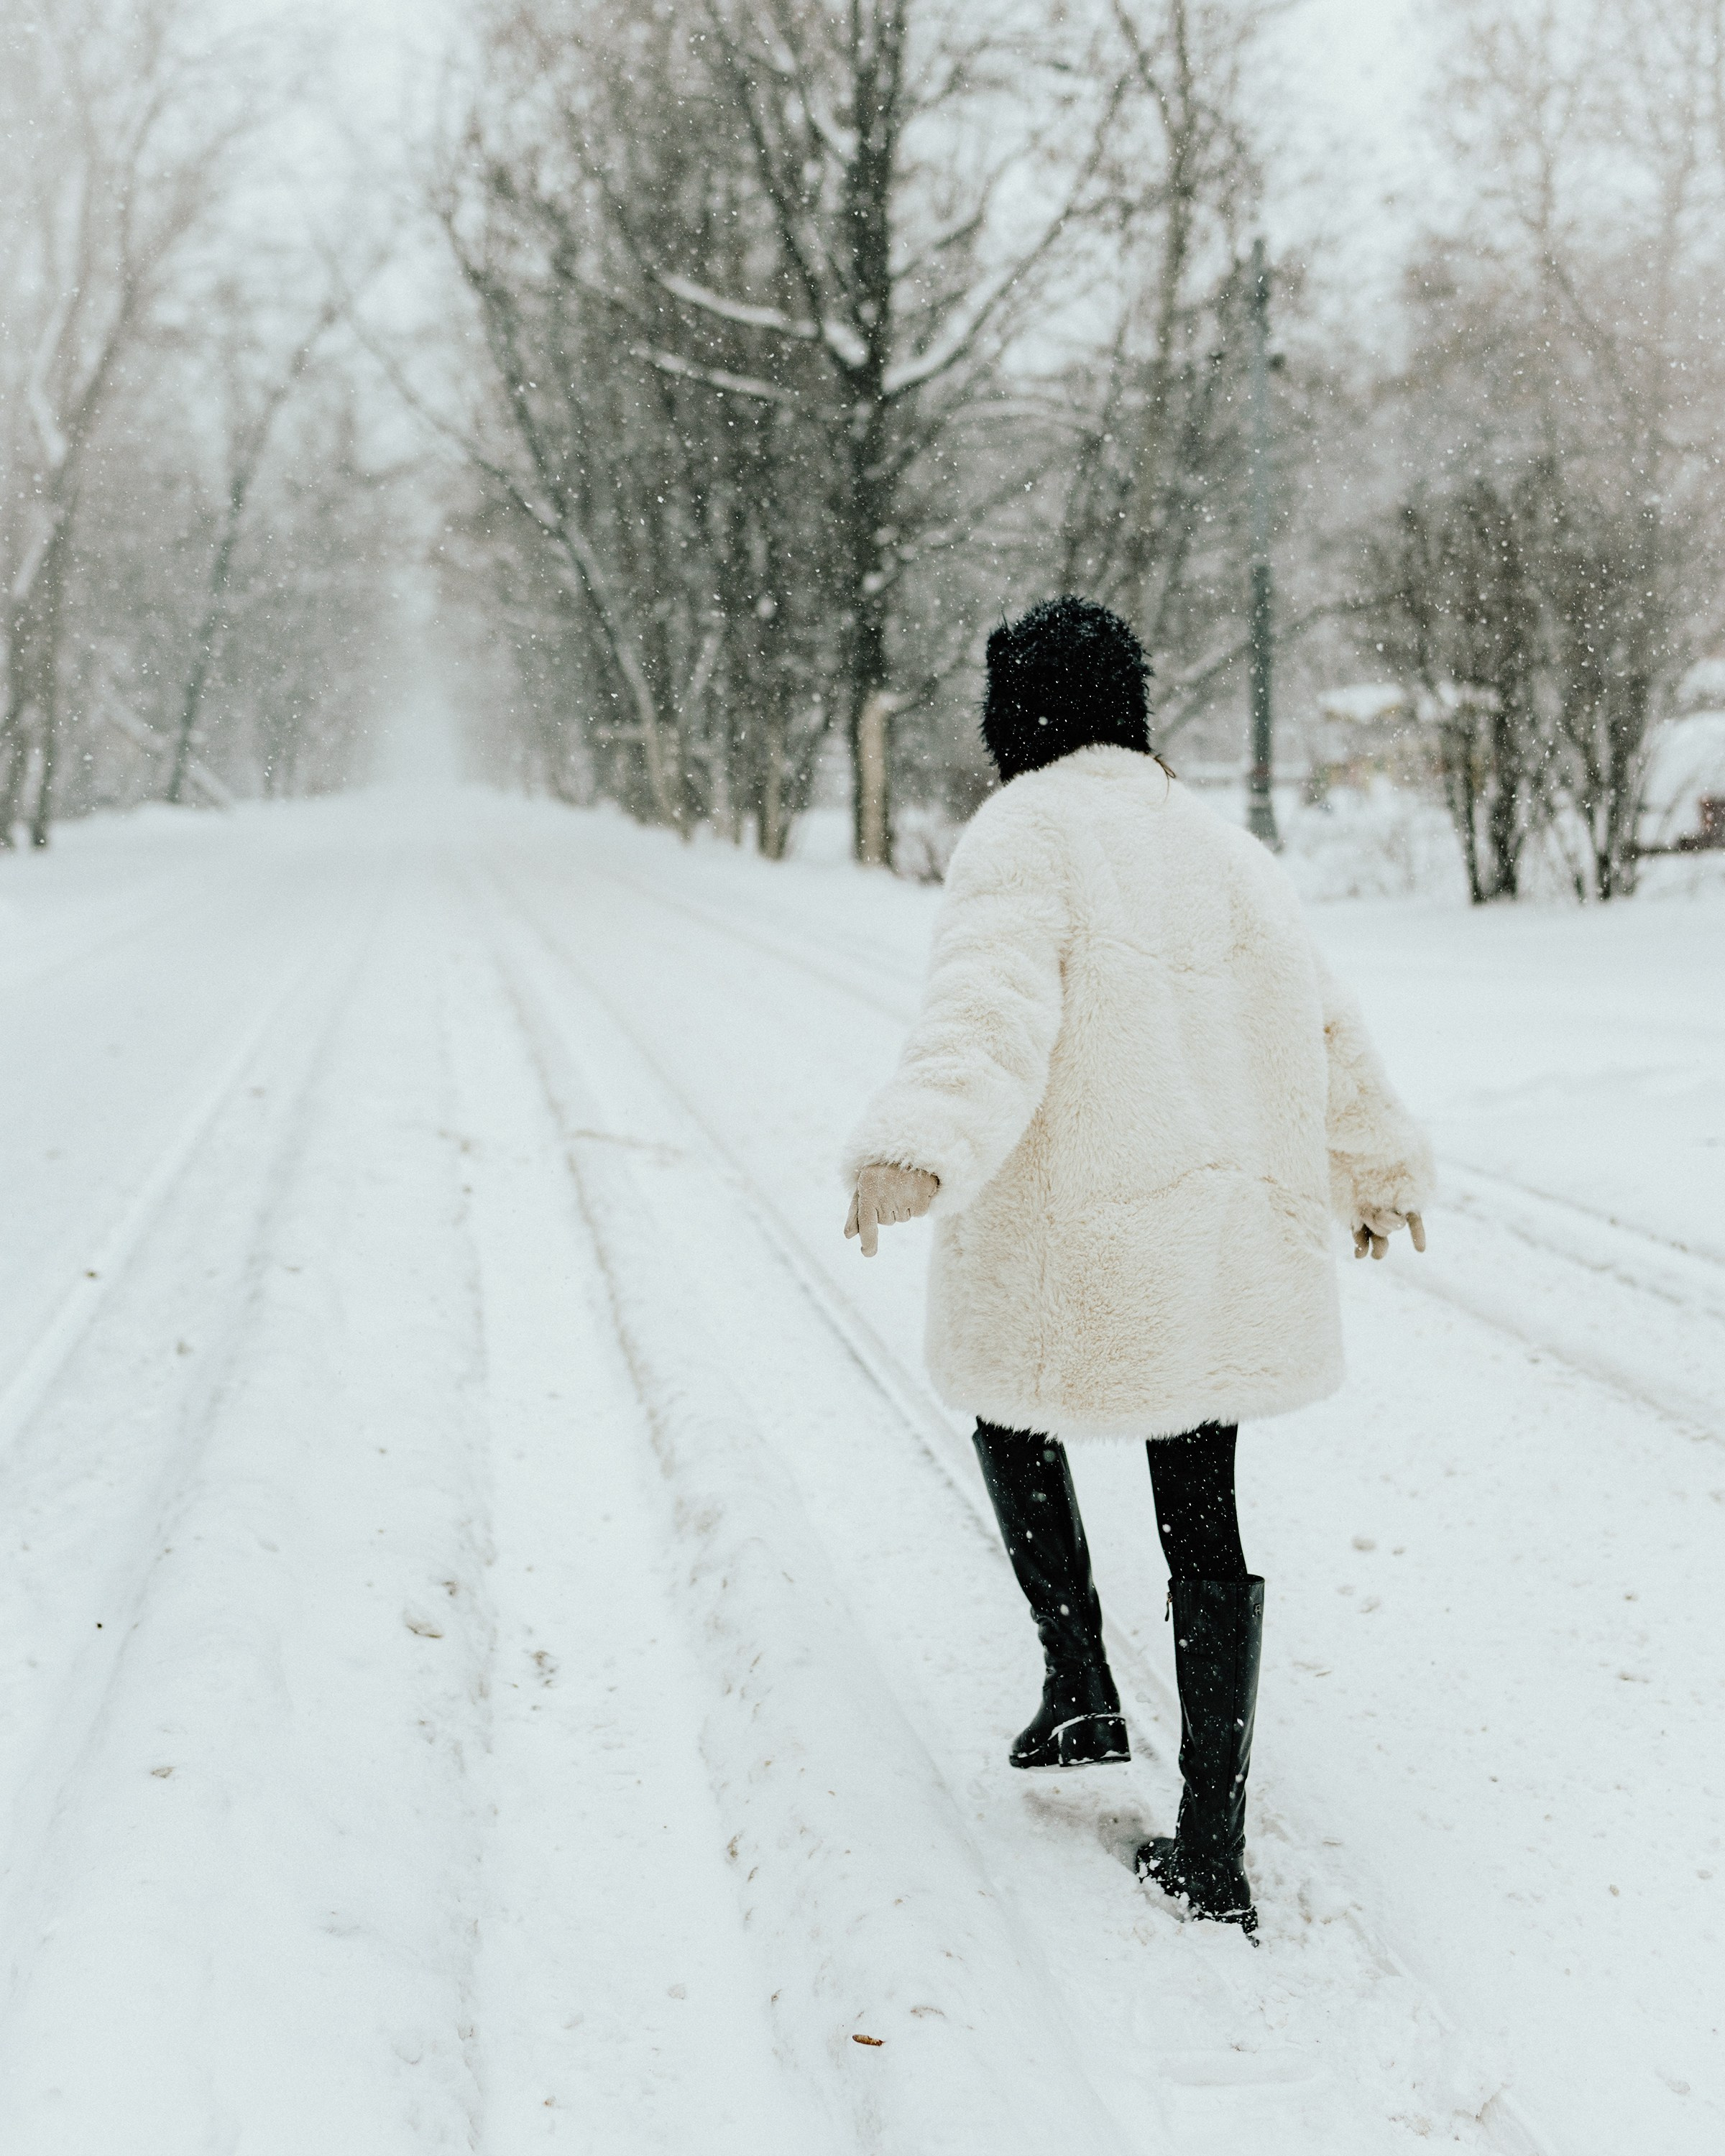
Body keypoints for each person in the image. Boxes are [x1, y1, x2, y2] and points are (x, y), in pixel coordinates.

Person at [841, 596, 1430, 1936]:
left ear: (1016, 719)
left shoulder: (1026, 834)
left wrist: (920, 1148)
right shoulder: (1219, 845)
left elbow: (987, 1008)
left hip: (1077, 1233)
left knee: (1009, 1404)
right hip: (1213, 1238)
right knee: (1201, 1502)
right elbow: (1322, 1020)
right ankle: (1212, 1845)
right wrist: (1379, 1163)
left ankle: (1079, 1683)